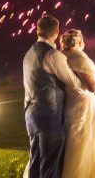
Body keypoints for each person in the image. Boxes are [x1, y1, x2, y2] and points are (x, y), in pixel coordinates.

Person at [23, 16, 83, 178]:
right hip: (50, 116)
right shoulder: (52, 55)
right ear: (56, 32)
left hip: (31, 115)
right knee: (51, 167)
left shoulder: (29, 53)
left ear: (37, 29)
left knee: (35, 164)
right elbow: (75, 83)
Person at [59, 29, 95, 178]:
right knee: (87, 144)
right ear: (79, 41)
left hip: (67, 104)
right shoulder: (79, 57)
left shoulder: (60, 56)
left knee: (70, 143)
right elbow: (92, 87)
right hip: (83, 106)